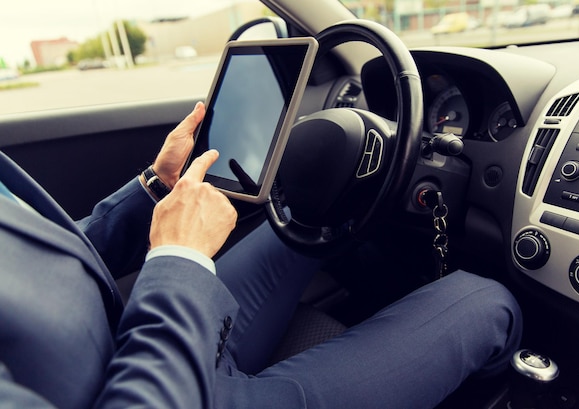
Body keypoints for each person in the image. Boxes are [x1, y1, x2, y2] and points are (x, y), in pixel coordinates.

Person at [0, 101, 522, 408]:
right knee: (485, 301)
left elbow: (43, 251)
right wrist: (178, 262)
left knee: (307, 221)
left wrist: (156, 189)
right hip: (161, 388)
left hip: (141, 335)